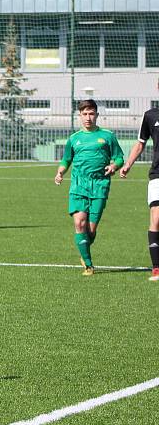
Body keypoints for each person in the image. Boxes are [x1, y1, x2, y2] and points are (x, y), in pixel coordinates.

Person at [54, 99, 124, 276]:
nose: (88, 117)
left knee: (90, 231)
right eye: (84, 114)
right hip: (78, 184)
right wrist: (61, 172)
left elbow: (119, 157)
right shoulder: (74, 139)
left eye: (91, 113)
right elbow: (66, 159)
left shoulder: (107, 136)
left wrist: (113, 166)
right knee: (79, 222)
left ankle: (84, 248)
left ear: (97, 115)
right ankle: (88, 264)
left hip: (100, 185)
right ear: (79, 116)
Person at [119, 81, 159, 282]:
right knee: (156, 217)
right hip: (158, 174)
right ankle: (157, 268)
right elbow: (140, 144)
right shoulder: (150, 115)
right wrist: (128, 164)